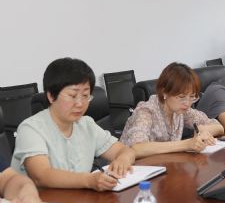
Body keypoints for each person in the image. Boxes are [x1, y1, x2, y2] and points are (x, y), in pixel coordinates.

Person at [11, 58, 136, 191]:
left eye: (85, 95)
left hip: (77, 200)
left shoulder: (86, 124)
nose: (80, 103)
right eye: (72, 96)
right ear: (51, 96)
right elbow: (41, 175)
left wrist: (122, 159)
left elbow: (125, 150)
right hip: (38, 202)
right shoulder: (30, 129)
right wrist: (88, 180)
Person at [120, 63, 224, 156]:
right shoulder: (146, 111)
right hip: (131, 168)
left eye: (192, 97)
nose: (187, 103)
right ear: (164, 92)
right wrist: (186, 144)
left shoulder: (182, 110)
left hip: (163, 165)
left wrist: (203, 130)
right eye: (181, 97)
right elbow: (136, 148)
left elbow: (219, 127)